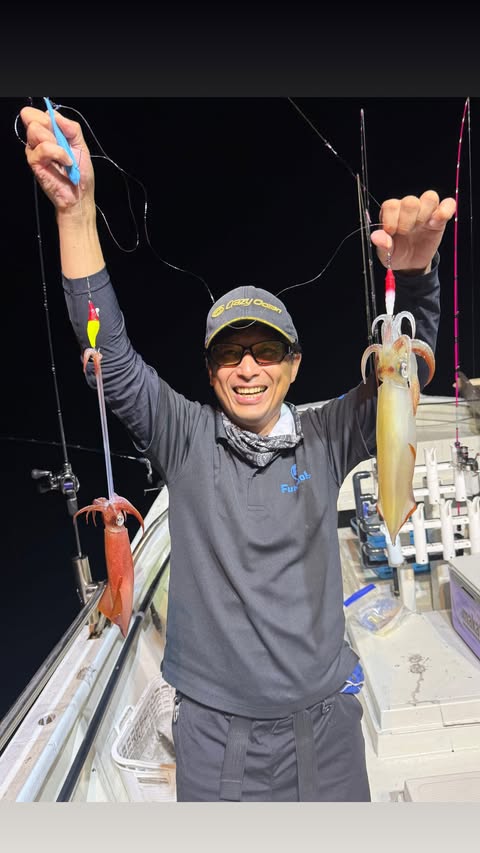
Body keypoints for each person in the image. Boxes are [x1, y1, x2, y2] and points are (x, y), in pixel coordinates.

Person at [20, 103, 456, 802]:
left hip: (327, 728)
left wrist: (417, 281)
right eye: (230, 352)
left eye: (266, 350)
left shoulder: (328, 434)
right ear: (210, 370)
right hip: (216, 739)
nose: (248, 366)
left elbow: (405, 375)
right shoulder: (185, 437)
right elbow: (112, 357)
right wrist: (76, 214)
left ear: (294, 365)